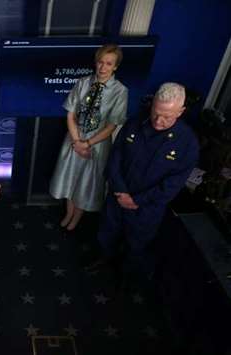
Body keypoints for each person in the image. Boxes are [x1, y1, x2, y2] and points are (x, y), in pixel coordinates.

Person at [90, 82, 199, 280]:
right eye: (156, 112)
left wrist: (136, 200)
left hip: (147, 207)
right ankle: (103, 258)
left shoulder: (187, 143)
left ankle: (126, 277)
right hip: (118, 196)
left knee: (136, 244)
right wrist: (120, 191)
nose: (158, 121)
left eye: (167, 116)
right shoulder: (135, 123)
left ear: (181, 111)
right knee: (107, 231)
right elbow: (115, 157)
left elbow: (173, 184)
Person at [49, 44, 128, 231]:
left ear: (115, 66)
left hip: (97, 144)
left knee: (85, 184)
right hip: (74, 138)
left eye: (109, 64)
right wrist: (77, 142)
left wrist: (88, 144)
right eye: (101, 62)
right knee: (69, 179)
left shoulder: (120, 91)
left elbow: (112, 126)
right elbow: (70, 113)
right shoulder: (83, 82)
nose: (103, 67)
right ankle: (68, 213)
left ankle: (76, 218)